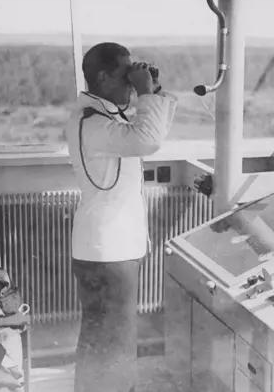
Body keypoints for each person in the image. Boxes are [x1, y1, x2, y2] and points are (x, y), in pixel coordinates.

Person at [64, 42, 177, 392]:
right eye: (124, 72)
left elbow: (152, 128)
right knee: (112, 344)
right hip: (107, 250)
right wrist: (143, 91)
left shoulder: (104, 116)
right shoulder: (91, 122)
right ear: (102, 76)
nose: (130, 80)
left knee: (106, 341)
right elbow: (148, 140)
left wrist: (152, 91)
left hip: (110, 248)